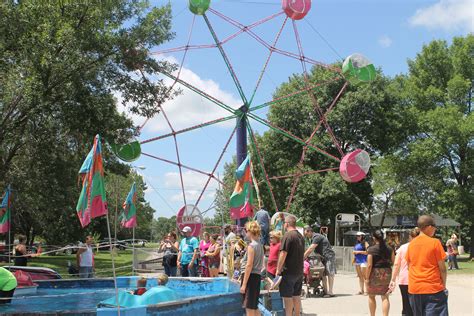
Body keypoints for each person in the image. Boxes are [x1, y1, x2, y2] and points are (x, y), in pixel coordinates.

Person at [406, 215, 448, 316]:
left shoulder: (411, 244)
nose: (435, 229)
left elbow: (408, 266)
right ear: (429, 227)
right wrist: (444, 285)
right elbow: (442, 268)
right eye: (435, 226)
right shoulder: (435, 243)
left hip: (414, 289)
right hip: (433, 289)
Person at [276, 215, 304, 316]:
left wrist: (278, 269)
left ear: (287, 224)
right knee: (296, 296)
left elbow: (283, 253)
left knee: (287, 298)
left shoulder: (288, 236)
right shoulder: (300, 236)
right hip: (299, 271)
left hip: (289, 272)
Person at [389, 227, 420, 316]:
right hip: (418, 279)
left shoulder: (403, 248)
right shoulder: (422, 247)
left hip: (404, 280)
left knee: (406, 305)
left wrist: (393, 279)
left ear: (410, 237)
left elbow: (396, 264)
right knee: (418, 306)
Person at [365, 230, 394, 316]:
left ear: (374, 238)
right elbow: (393, 261)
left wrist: (367, 278)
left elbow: (369, 265)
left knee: (371, 296)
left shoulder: (371, 249)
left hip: (374, 273)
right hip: (387, 273)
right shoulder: (389, 248)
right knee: (385, 297)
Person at [303, 226, 336, 297]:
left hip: (328, 256)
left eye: (306, 234)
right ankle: (326, 291)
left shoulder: (316, 237)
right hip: (322, 257)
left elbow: (311, 248)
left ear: (309, 231)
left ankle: (330, 292)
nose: (306, 236)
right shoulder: (313, 238)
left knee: (330, 273)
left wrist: (303, 257)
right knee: (323, 274)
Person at [239, 221, 264, 316]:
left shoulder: (251, 246)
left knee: (249, 307)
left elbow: (249, 265)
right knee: (254, 306)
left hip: (250, 277)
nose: (245, 233)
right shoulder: (260, 245)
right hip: (256, 277)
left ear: (249, 231)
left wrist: (244, 284)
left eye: (246, 230)